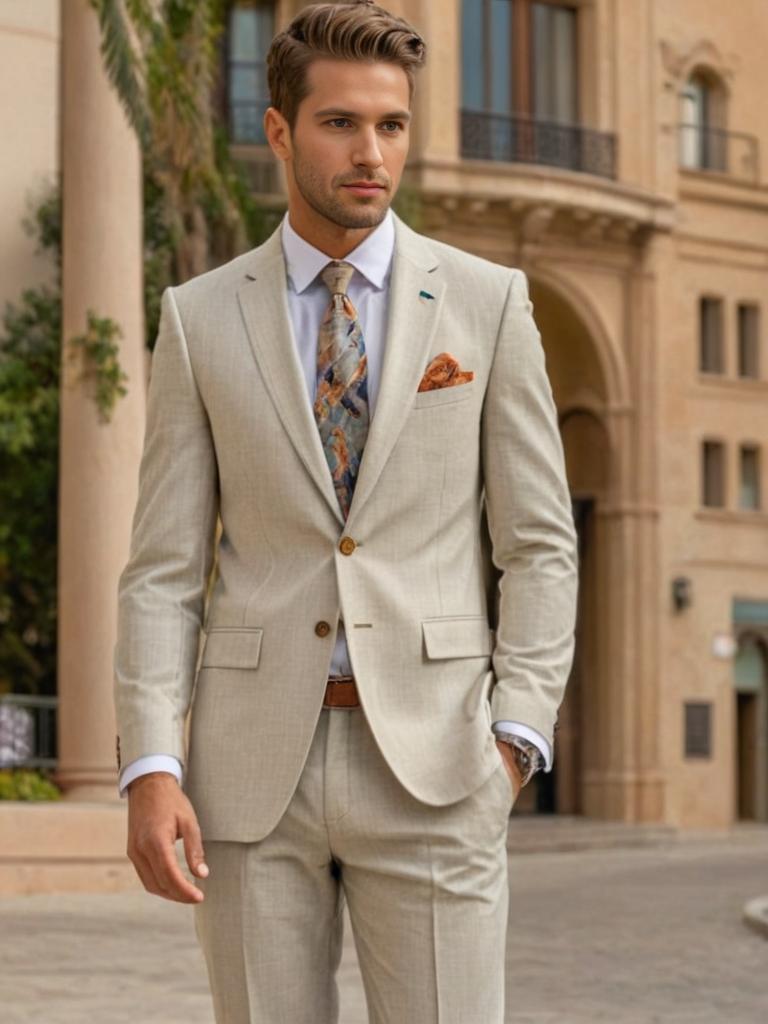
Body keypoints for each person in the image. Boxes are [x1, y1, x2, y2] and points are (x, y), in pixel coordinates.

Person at [112, 2, 579, 1021]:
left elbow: (539, 542)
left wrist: (514, 737)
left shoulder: (488, 304)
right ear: (280, 130)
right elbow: (162, 568)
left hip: (438, 763)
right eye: (340, 123)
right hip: (249, 776)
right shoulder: (199, 318)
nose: (372, 152)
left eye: (392, 125)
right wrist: (152, 762)